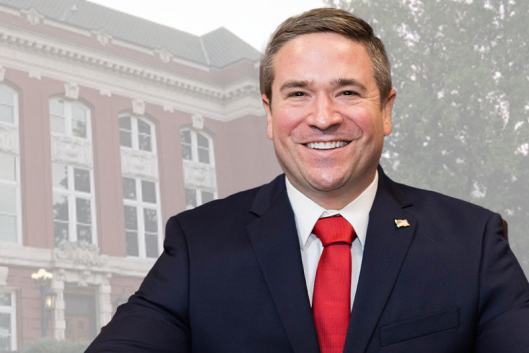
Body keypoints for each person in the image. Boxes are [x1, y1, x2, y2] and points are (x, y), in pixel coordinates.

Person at [86, 8, 529, 353]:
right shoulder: (197, 243)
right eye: (298, 94)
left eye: (348, 92)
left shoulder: (474, 241)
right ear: (269, 112)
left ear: (387, 110)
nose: (323, 118)